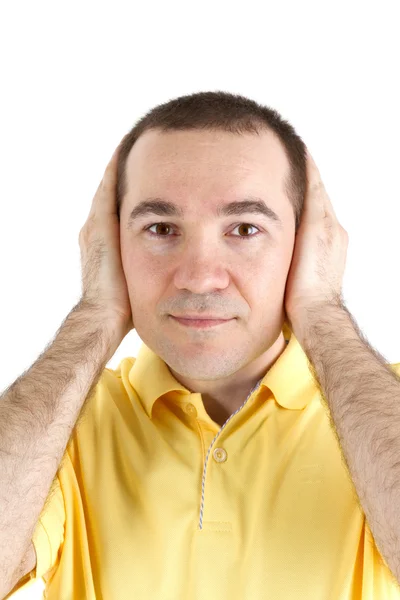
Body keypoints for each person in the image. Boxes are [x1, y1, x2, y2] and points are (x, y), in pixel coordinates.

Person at [2, 91, 400, 599]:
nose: (199, 277)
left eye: (245, 228)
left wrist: (321, 310)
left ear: (305, 245)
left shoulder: (381, 409)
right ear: (112, 244)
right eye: (161, 228)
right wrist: (96, 311)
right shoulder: (61, 419)